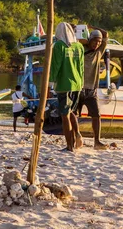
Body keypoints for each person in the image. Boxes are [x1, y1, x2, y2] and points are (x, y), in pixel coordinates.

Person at [50, 22, 84, 151]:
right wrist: (81, 83)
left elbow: (55, 66)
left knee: (64, 116)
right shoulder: (79, 46)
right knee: (72, 112)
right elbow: (81, 68)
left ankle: (69, 145)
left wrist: (50, 85)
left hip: (64, 84)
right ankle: (78, 134)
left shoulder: (59, 46)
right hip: (77, 84)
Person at [75, 27, 109, 150]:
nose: (97, 43)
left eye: (99, 42)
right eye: (95, 41)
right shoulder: (80, 49)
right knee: (74, 114)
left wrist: (91, 27)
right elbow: (77, 40)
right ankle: (76, 136)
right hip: (78, 88)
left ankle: (97, 141)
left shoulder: (98, 52)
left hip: (91, 89)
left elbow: (105, 34)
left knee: (96, 115)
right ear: (90, 40)